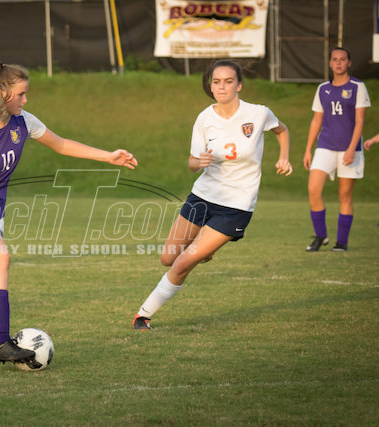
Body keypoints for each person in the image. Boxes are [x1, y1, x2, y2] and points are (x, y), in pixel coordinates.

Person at [0, 60, 138, 368]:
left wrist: (108, 156)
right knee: (0, 256)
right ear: (3, 94)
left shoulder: (23, 121)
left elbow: (61, 144)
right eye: (21, 94)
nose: (25, 99)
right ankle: (0, 344)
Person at [132, 59, 292, 331]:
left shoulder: (258, 113)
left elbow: (282, 130)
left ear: (239, 85)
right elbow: (192, 162)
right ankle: (206, 251)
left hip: (236, 205)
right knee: (168, 258)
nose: (222, 86)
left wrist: (284, 157)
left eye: (228, 81)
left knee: (183, 262)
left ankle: (142, 315)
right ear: (210, 85)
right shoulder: (205, 118)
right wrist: (199, 161)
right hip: (203, 196)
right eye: (216, 82)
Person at [303, 47, 371, 252]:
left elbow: (359, 122)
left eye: (342, 59)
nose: (338, 62)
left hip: (349, 150)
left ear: (349, 62)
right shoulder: (322, 88)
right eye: (335, 59)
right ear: (330, 63)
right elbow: (316, 120)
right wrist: (308, 149)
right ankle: (320, 236)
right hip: (325, 146)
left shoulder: (358, 87)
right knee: (313, 189)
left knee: (345, 196)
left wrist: (351, 149)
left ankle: (341, 242)